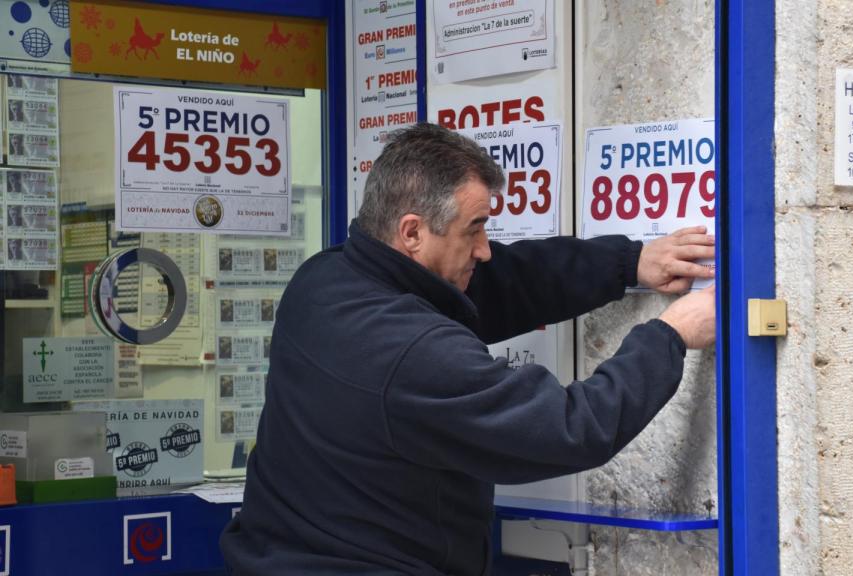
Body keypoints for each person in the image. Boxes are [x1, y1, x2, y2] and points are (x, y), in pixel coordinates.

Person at [220, 123, 716, 575]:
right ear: (412, 231)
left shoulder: (323, 280)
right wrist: (669, 335)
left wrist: (629, 262)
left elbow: (504, 280)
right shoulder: (407, 351)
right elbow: (569, 428)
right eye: (474, 229)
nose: (483, 249)